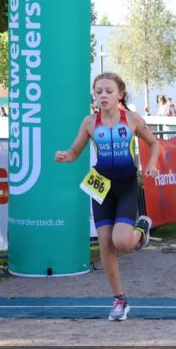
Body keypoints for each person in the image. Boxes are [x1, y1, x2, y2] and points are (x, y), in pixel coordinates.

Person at [55, 72, 160, 322]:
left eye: (108, 91)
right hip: (100, 186)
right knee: (105, 244)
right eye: (98, 91)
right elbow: (75, 151)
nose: (103, 95)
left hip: (125, 186)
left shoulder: (132, 119)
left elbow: (154, 143)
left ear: (120, 94)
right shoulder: (90, 123)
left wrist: (152, 165)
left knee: (122, 242)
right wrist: (66, 156)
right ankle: (119, 300)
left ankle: (141, 229)